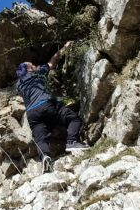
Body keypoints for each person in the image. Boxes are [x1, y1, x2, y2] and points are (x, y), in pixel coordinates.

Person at [16, 41, 89, 173]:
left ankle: (44, 156)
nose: (35, 66)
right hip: (46, 104)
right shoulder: (38, 73)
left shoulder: (19, 85)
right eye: (33, 65)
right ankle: (72, 142)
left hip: (32, 113)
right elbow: (53, 62)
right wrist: (65, 48)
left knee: (40, 137)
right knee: (73, 119)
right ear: (30, 69)